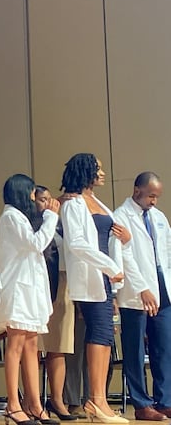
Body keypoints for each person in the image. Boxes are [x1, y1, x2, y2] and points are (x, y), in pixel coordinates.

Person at [59, 153, 128, 424]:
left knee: (105, 337)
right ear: (85, 171)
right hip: (92, 277)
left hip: (105, 279)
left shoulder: (97, 203)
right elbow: (77, 243)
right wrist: (109, 267)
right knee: (98, 334)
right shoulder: (73, 204)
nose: (102, 172)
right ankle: (95, 400)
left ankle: (99, 399)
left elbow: (110, 237)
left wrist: (125, 239)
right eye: (97, 168)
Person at [0, 174, 60, 425]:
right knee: (16, 345)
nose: (36, 198)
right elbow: (36, 243)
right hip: (17, 291)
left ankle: (34, 403)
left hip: (29, 291)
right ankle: (13, 403)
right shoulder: (11, 216)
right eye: (33, 193)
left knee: (32, 346)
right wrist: (51, 217)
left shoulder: (20, 217)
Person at [113, 172, 171, 420]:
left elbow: (166, 253)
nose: (154, 201)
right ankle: (141, 403)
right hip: (136, 290)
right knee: (135, 348)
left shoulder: (158, 217)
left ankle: (165, 400)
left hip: (162, 286)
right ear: (137, 190)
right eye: (150, 196)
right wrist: (142, 288)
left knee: (164, 346)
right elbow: (125, 256)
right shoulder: (120, 216)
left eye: (157, 197)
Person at [34, 186, 78, 422]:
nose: (47, 204)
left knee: (59, 346)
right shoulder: (31, 225)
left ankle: (57, 399)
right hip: (40, 287)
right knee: (33, 346)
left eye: (49, 200)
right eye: (42, 200)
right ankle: (30, 400)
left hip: (62, 285)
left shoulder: (59, 224)